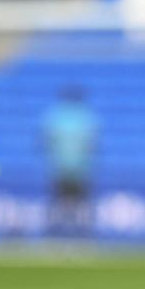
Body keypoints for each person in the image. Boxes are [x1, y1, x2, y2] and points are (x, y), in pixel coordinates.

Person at [42, 85, 99, 236]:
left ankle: (54, 233)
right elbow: (92, 144)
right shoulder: (86, 116)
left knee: (59, 202)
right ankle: (84, 234)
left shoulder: (56, 115)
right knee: (82, 203)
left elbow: (45, 140)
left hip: (60, 168)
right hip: (81, 169)